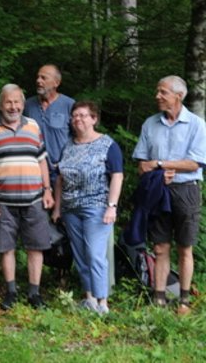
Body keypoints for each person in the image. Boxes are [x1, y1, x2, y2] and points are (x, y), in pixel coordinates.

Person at [0, 83, 53, 310]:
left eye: (17, 101)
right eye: (8, 101)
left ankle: (34, 294)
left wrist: (47, 190)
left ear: (23, 104)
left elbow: (41, 159)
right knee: (6, 247)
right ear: (1, 104)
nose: (13, 106)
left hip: (34, 198)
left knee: (35, 247)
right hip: (2, 201)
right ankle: (10, 292)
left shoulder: (34, 126)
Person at [132, 75, 206, 315]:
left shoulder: (196, 124)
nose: (157, 96)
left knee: (185, 247)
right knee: (160, 247)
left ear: (178, 96)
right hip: (158, 191)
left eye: (162, 92)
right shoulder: (149, 124)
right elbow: (142, 164)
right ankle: (159, 298)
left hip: (187, 190)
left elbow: (195, 163)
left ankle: (184, 301)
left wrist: (160, 164)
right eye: (157, 91)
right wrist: (150, 169)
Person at [52, 101, 124, 315]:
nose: (78, 119)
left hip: (97, 207)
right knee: (81, 254)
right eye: (75, 116)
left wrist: (112, 206)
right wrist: (57, 207)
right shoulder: (69, 145)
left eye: (83, 115)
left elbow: (117, 176)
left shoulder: (107, 144)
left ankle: (103, 303)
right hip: (71, 208)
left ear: (94, 119)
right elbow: (59, 179)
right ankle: (89, 298)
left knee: (95, 254)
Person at [24, 64, 75, 185]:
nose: (38, 81)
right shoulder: (27, 105)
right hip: (34, 172)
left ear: (56, 83)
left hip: (61, 172)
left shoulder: (69, 105)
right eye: (37, 77)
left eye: (43, 78)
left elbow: (79, 138)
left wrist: (68, 162)